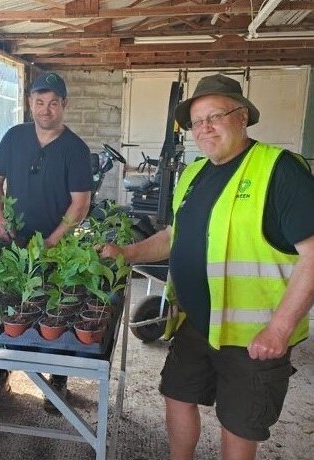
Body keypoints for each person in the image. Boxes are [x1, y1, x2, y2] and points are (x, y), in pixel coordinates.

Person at [99, 74, 314, 460]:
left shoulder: (280, 170)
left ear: (243, 116)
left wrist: (279, 329)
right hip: (197, 322)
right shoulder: (195, 172)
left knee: (238, 423)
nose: (205, 128)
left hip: (252, 335)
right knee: (176, 394)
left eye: (216, 116)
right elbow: (173, 235)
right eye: (197, 122)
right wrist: (127, 253)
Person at [0, 72, 93, 412]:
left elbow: (80, 203)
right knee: (6, 305)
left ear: (64, 105)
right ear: (30, 104)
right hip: (12, 242)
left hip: (56, 246)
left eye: (53, 103)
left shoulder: (76, 150)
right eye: (39, 102)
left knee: (54, 310)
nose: (46, 110)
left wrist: (53, 241)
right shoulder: (14, 137)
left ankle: (58, 379)